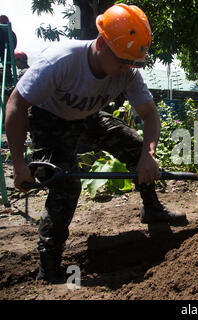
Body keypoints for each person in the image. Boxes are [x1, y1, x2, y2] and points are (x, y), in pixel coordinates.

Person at [5, 3, 187, 283]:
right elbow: (16, 104)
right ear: (101, 43)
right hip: (50, 119)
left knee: (136, 148)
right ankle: (49, 262)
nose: (127, 68)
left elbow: (150, 115)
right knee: (64, 184)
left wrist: (148, 156)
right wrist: (18, 163)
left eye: (131, 62)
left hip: (88, 115)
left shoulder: (126, 69)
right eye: (122, 60)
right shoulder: (61, 61)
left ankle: (151, 208)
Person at [0, 15, 17, 86]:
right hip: (3, 50)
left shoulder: (11, 33)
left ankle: (9, 81)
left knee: (7, 67)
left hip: (7, 52)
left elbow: (13, 44)